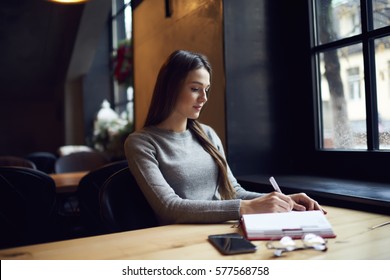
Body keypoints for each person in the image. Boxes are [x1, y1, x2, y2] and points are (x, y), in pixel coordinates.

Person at [124, 49, 325, 225]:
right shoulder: (141, 143)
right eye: (195, 89)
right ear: (171, 88)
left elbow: (233, 191)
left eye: (207, 90)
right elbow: (169, 207)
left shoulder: (208, 134)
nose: (204, 98)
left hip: (222, 230)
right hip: (178, 241)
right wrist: (245, 208)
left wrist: (285, 201)